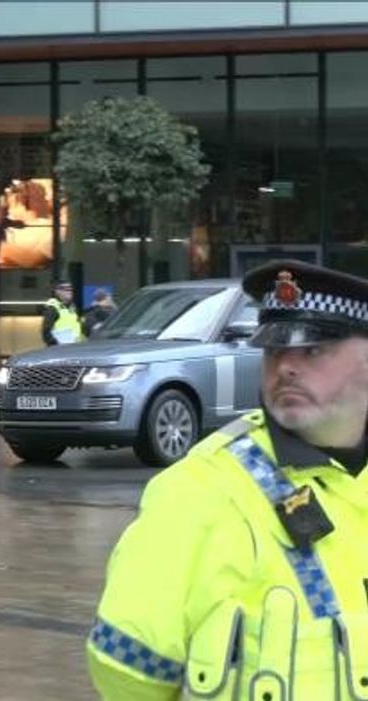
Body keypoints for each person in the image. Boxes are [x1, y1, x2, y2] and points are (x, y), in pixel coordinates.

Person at [87, 259, 368, 700]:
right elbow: (125, 670)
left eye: (313, 349)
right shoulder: (198, 492)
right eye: (275, 349)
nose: (286, 368)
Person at [42, 280, 83, 346]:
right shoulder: (53, 308)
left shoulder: (73, 308)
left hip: (75, 347)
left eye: (71, 289)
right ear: (58, 291)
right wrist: (56, 345)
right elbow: (46, 332)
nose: (70, 292)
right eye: (66, 289)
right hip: (60, 349)